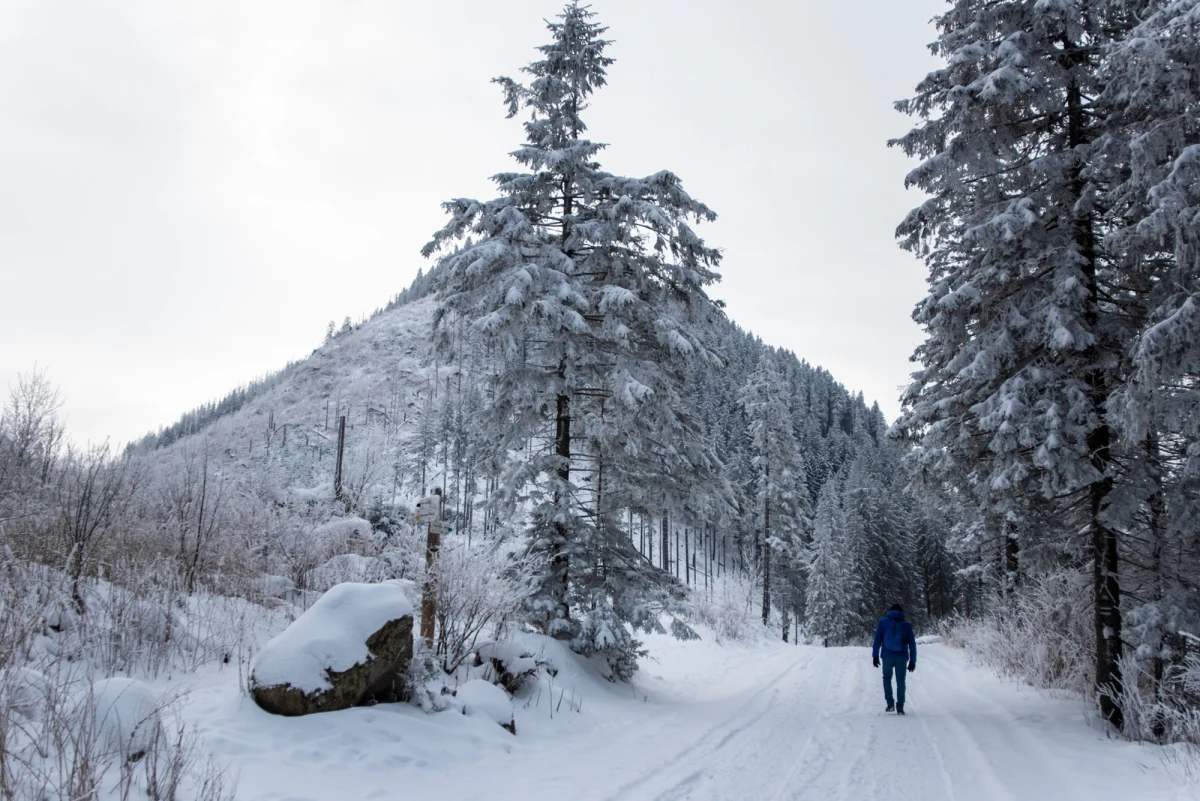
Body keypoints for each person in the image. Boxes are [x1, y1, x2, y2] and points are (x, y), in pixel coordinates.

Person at [871, 603, 916, 714]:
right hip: (902, 656)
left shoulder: (883, 622)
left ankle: (890, 704)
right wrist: (913, 660)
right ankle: (900, 706)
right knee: (901, 681)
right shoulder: (906, 624)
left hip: (887, 656)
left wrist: (875, 655)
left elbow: (877, 640)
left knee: (887, 678)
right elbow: (912, 644)